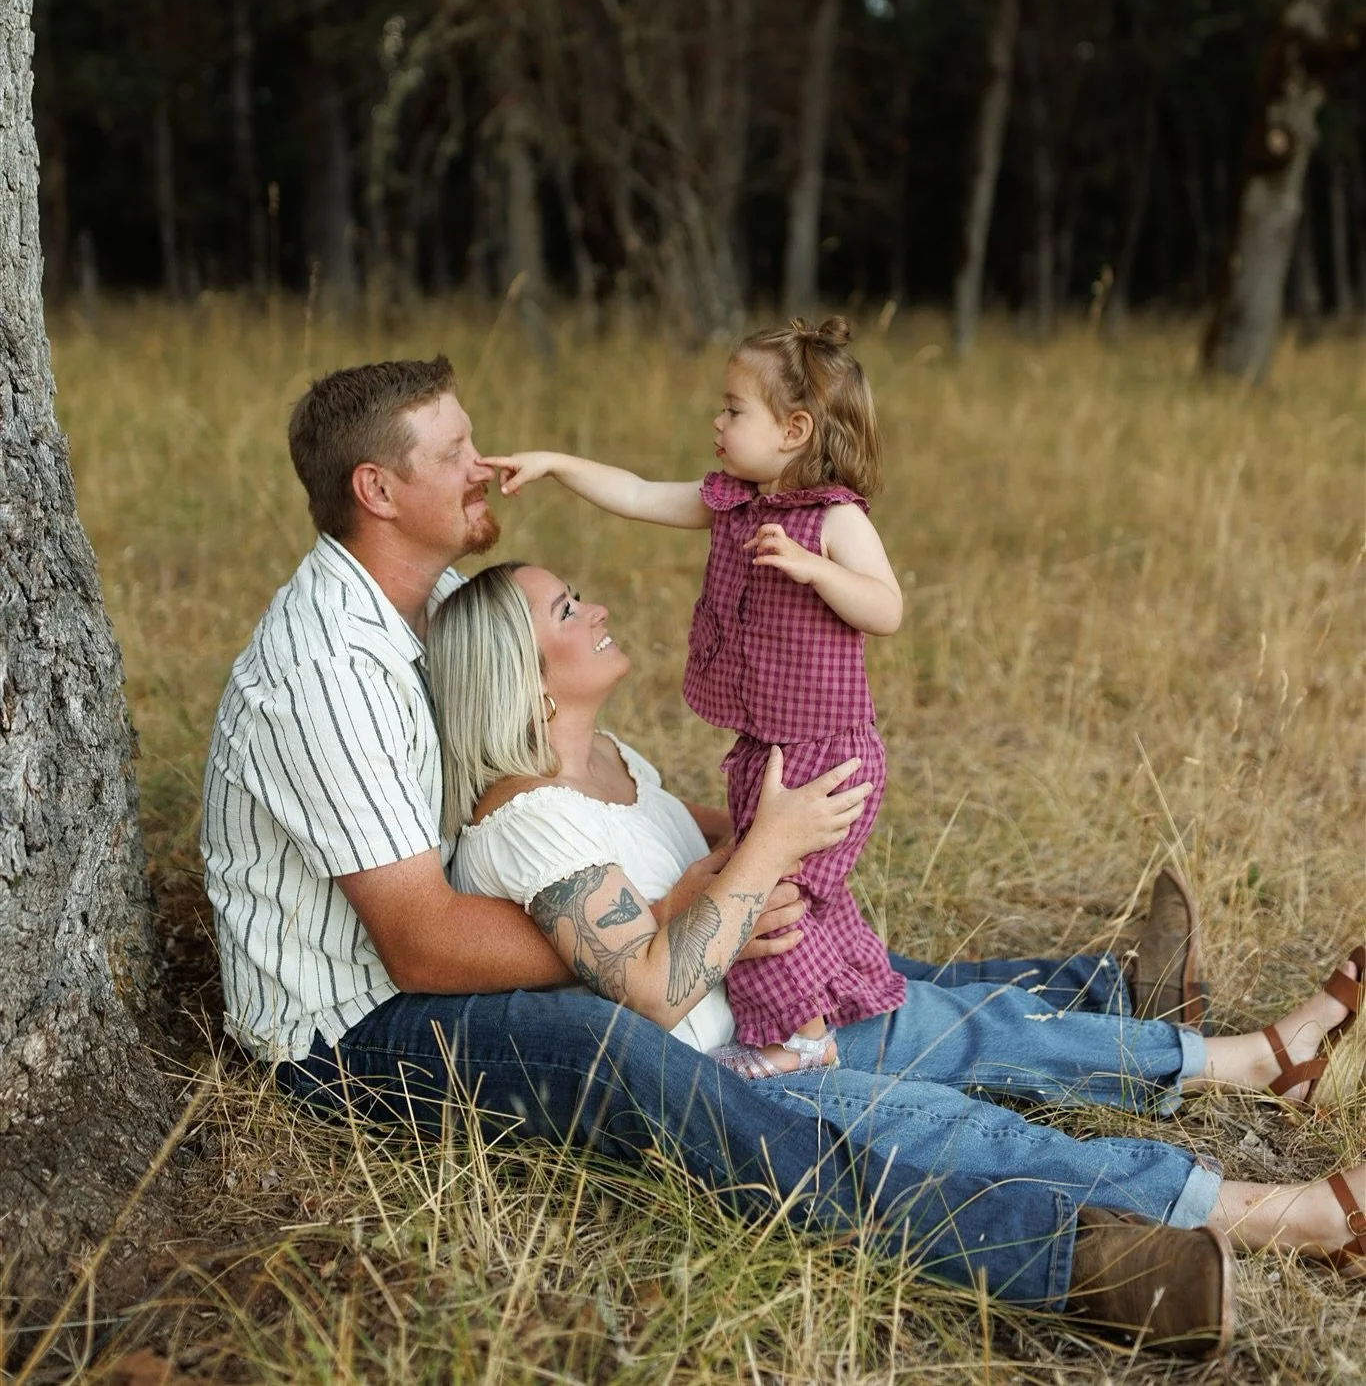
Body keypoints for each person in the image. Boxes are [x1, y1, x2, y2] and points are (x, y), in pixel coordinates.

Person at [199, 354, 1363, 1359]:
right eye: (455, 452)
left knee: (821, 966)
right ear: (378, 488)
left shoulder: (440, 597)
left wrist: (740, 868)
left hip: (526, 930)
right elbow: (421, 941)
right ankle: (1077, 1257)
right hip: (357, 1028)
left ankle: (1118, 1002)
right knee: (642, 1057)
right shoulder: (328, 667)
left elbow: (612, 820)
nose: (482, 463)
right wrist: (684, 913)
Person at [426, 559, 1364, 1305]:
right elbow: (655, 991)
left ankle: (1256, 1060)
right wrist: (770, 847)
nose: (594, 608)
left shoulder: (609, 759)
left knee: (979, 1024)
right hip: (737, 1078)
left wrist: (775, 834)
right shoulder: (523, 819)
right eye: (566, 610)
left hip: (776, 1008)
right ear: (524, 678)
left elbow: (696, 852)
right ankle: (1293, 1218)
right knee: (971, 1136)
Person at [487, 316, 903, 1077]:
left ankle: (800, 1041)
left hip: (827, 753)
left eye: (734, 409)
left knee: (774, 890)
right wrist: (555, 462)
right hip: (766, 745)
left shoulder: (834, 519)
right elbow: (637, 493)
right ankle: (832, 1010)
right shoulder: (732, 502)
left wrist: (815, 569)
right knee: (770, 886)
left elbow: (887, 608)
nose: (717, 422)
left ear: (794, 430)